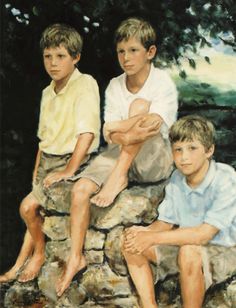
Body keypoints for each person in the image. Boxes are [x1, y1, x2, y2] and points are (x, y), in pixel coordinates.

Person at [55, 17, 178, 297]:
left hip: (154, 159)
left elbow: (152, 126)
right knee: (81, 189)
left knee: (138, 105)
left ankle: (118, 176)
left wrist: (118, 128)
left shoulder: (162, 83)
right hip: (119, 150)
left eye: (133, 50)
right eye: (121, 51)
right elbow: (108, 133)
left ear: (150, 52)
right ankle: (76, 257)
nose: (125, 58)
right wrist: (120, 130)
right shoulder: (114, 85)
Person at [0, 23, 100, 283]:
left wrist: (68, 170)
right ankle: (20, 264)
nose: (53, 63)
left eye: (60, 56)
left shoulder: (85, 84)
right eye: (48, 56)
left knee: (28, 207)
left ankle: (39, 254)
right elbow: (44, 140)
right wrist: (36, 170)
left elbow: (86, 134)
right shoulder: (47, 92)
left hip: (74, 160)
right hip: (47, 160)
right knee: (33, 207)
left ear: (75, 57)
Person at [123, 115, 236, 308]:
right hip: (187, 245)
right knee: (130, 242)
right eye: (178, 150)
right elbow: (165, 223)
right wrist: (143, 233)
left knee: (188, 253)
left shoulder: (225, 178)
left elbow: (203, 235)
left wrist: (152, 238)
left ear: (209, 150)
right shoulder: (177, 178)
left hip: (224, 250)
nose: (184, 157)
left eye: (192, 148)